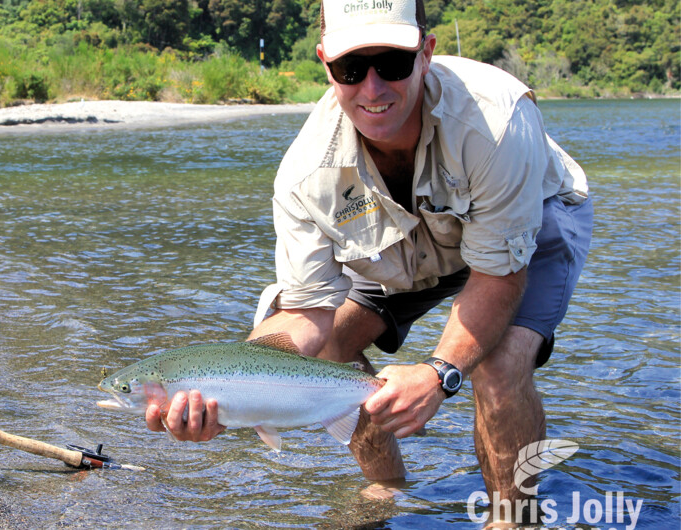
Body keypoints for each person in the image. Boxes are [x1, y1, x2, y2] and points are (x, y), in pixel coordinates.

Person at [144, 0, 593, 517]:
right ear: (325, 64)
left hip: (527, 226)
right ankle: (391, 490)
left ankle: (514, 519)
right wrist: (229, 392)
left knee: (498, 360)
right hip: (397, 249)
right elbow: (309, 315)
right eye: (352, 69)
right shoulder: (306, 175)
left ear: (426, 53)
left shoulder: (497, 120)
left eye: (392, 63)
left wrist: (437, 372)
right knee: (332, 340)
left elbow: (495, 277)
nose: (373, 88)